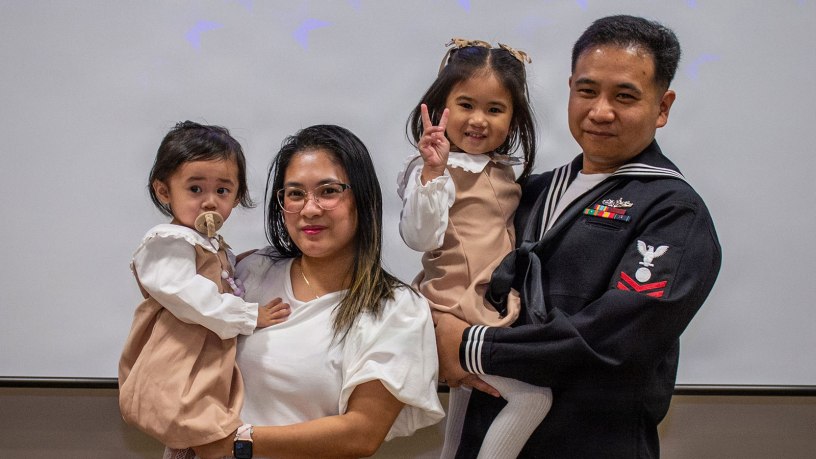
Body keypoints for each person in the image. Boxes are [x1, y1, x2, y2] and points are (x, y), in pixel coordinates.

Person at [435, 15, 722, 458]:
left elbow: (613, 339)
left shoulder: (672, 211)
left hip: (591, 444)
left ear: (662, 107)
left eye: (625, 96)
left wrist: (473, 345)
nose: (600, 111)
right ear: (570, 89)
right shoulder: (525, 190)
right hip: (485, 428)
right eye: (587, 91)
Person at [192, 124, 444, 459]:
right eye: (295, 194)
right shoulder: (252, 270)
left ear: (363, 198)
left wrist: (240, 442)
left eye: (328, 191)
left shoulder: (396, 307)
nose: (310, 209)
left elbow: (362, 433)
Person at [398, 38, 550, 459]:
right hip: (454, 305)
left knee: (464, 406)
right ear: (440, 106)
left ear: (514, 119)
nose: (478, 120)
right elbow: (419, 236)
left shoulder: (502, 170)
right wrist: (432, 172)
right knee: (533, 398)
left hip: (486, 301)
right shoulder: (437, 169)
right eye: (466, 105)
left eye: (495, 109)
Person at [118, 121, 290, 458]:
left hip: (207, 351)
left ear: (237, 195)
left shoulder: (211, 245)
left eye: (222, 191)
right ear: (164, 191)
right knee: (187, 413)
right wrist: (249, 314)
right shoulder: (168, 241)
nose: (210, 202)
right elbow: (188, 295)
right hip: (179, 349)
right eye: (195, 189)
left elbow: (217, 278)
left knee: (196, 428)